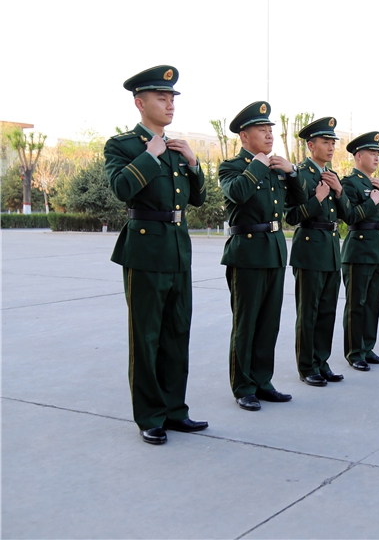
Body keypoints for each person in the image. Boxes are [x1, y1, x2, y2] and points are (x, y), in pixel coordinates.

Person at [104, 65, 208, 445]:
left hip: (179, 249)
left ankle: (175, 411)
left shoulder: (179, 147)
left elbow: (199, 199)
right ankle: (149, 416)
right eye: (161, 98)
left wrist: (195, 164)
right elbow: (121, 187)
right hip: (145, 250)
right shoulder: (123, 145)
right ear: (139, 102)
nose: (169, 104)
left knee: (178, 332)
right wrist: (150, 154)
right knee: (146, 336)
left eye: (172, 99)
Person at [218, 101, 300, 411]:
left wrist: (291, 172)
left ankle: (263, 382)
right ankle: (243, 386)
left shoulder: (277, 166)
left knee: (269, 323)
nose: (268, 135)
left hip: (275, 250)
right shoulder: (232, 167)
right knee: (246, 323)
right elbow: (237, 193)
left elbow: (300, 200)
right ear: (244, 135)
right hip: (247, 253)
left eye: (270, 129)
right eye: (261, 130)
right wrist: (259, 164)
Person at [286, 117, 351, 387]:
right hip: (310, 246)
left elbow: (348, 215)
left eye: (333, 142)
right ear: (310, 145)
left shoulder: (333, 176)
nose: (331, 146)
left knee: (327, 310)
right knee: (309, 311)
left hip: (330, 248)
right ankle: (306, 366)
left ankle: (321, 362)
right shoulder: (299, 174)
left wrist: (338, 191)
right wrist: (318, 198)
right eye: (325, 142)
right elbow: (291, 216)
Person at [340, 132, 379, 371]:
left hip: (377, 249)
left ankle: (368, 347)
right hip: (359, 250)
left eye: (378, 154)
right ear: (359, 156)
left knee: (373, 302)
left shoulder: (377, 183)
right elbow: (350, 216)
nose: (376, 158)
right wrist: (372, 201)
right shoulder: (350, 183)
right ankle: (354, 352)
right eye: (372, 154)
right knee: (357, 304)